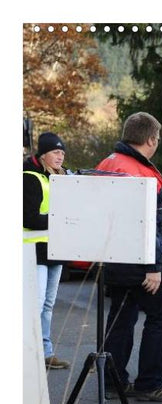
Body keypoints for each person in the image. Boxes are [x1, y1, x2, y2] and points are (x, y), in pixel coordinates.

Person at [96, 112, 162, 402]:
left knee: (121, 319)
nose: (157, 143)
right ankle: (149, 383)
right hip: (139, 263)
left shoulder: (107, 163)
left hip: (113, 260)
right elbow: (149, 225)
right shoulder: (139, 172)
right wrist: (154, 268)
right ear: (150, 139)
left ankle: (114, 382)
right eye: (158, 138)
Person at [23, 132, 70, 370]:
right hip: (35, 250)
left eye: (62, 153)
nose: (60, 157)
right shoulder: (30, 177)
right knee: (38, 302)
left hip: (55, 249)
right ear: (43, 154)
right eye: (55, 152)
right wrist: (60, 219)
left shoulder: (61, 177)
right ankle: (30, 352)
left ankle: (46, 352)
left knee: (48, 304)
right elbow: (29, 218)